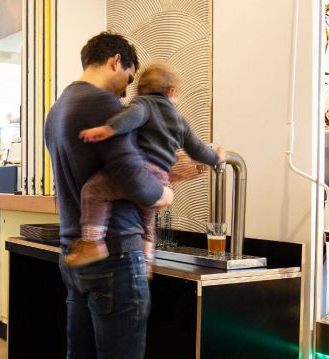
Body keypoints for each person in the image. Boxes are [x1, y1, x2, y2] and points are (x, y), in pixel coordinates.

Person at [44, 32, 172, 358]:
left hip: (74, 253)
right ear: (116, 60)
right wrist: (163, 193)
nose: (127, 89)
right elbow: (129, 175)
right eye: (128, 77)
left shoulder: (56, 111)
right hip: (114, 257)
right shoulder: (104, 103)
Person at [67, 62, 226, 268]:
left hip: (141, 170)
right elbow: (198, 150)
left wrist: (109, 129)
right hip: (161, 176)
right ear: (172, 91)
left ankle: (93, 242)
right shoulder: (180, 120)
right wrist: (217, 158)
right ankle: (147, 261)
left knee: (94, 190)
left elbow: (131, 118)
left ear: (141, 90)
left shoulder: (143, 104)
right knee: (147, 220)